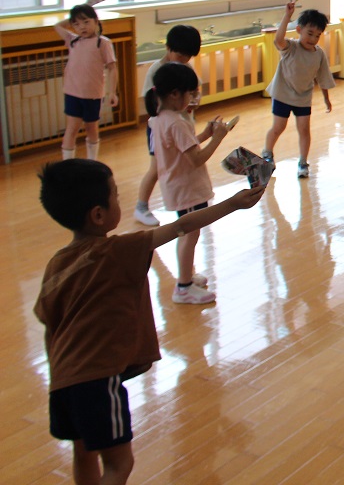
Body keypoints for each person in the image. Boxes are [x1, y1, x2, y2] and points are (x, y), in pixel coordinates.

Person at [34, 159, 264, 485]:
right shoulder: (117, 250)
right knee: (119, 464)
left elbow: (50, 327)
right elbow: (181, 226)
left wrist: (59, 375)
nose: (120, 200)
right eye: (115, 195)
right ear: (98, 215)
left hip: (62, 383)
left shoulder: (56, 265)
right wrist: (232, 203)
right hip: (96, 382)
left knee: (82, 454)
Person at [149, 63, 233, 304]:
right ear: (175, 94)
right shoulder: (177, 122)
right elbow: (196, 159)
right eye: (190, 93)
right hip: (186, 189)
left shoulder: (160, 118)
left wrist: (205, 135)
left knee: (187, 233)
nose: (193, 98)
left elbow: (182, 146)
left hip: (177, 186)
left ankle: (186, 276)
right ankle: (183, 287)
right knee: (189, 234)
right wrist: (218, 138)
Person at [134, 24, 203, 227]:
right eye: (180, 55)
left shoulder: (186, 68)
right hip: (162, 129)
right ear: (168, 48)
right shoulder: (156, 70)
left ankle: (186, 202)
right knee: (157, 167)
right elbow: (150, 102)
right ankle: (141, 207)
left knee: (181, 164)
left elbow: (195, 91)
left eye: (188, 56)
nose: (184, 59)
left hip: (182, 126)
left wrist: (195, 100)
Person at [263, 1, 336, 176]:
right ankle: (267, 154)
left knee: (304, 130)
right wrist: (287, 15)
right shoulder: (290, 47)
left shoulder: (319, 54)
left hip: (303, 97)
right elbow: (278, 40)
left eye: (317, 35)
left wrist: (326, 98)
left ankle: (303, 162)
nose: (313, 39)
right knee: (278, 127)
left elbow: (323, 77)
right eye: (309, 33)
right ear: (299, 30)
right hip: (282, 94)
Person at [53, 4, 118, 161]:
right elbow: (57, 26)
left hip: (92, 94)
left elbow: (112, 68)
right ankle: (68, 164)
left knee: (91, 128)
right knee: (72, 129)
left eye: (86, 22)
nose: (82, 27)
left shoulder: (103, 43)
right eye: (76, 24)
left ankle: (92, 162)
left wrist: (112, 92)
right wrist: (74, 17)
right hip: (72, 93)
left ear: (96, 21)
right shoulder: (72, 40)